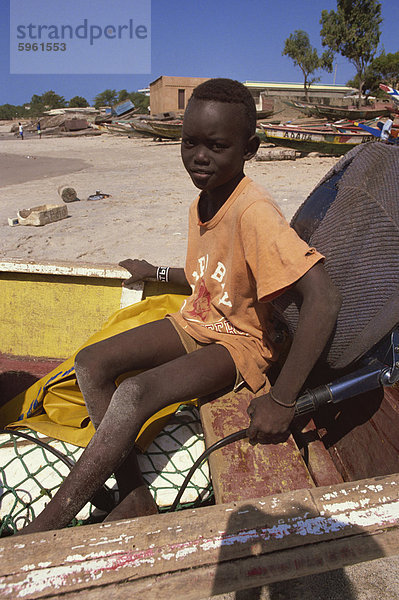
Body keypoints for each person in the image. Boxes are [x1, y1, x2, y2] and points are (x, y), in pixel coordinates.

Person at [20, 78, 341, 534]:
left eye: (216, 145)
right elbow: (206, 275)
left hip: (241, 343)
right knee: (92, 363)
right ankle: (133, 497)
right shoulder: (204, 200)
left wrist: (282, 398)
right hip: (198, 319)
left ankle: (45, 527)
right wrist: (156, 274)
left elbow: (324, 297)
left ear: (248, 149)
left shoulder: (254, 212)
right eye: (190, 143)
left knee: (134, 393)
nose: (200, 157)